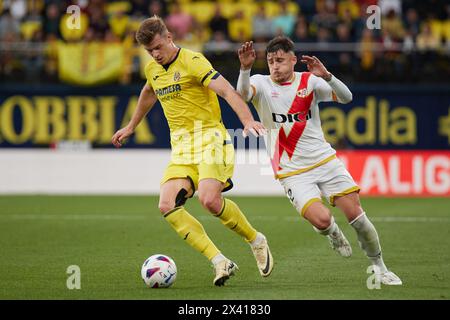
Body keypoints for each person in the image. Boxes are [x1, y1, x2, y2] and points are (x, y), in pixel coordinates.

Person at [111, 16, 273, 286]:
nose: (155, 54)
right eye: (150, 51)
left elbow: (227, 92)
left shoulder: (193, 61)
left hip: (210, 138)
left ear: (169, 37)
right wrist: (131, 126)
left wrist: (246, 120)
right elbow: (149, 92)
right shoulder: (153, 69)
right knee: (166, 204)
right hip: (182, 148)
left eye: (158, 47)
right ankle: (219, 261)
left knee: (209, 201)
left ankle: (256, 240)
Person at [236, 36, 402, 285]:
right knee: (323, 220)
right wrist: (245, 68)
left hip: (325, 162)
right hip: (291, 171)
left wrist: (327, 76)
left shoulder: (309, 81)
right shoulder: (260, 83)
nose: (275, 66)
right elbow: (242, 93)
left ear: (293, 60)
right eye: (271, 61)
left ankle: (380, 267)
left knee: (358, 218)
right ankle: (333, 234)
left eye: (280, 60)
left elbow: (346, 98)